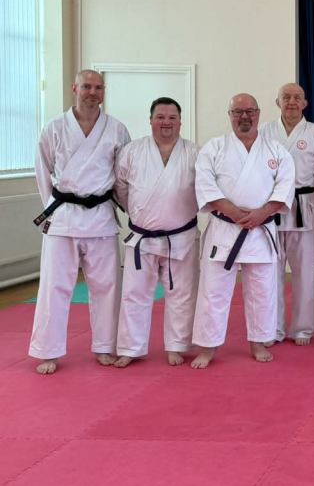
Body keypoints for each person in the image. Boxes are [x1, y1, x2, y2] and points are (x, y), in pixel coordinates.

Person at [29, 69, 131, 374]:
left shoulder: (117, 129)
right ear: (75, 88)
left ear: (103, 91)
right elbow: (43, 172)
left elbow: (122, 176)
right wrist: (53, 208)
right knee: (54, 286)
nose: (92, 92)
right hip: (63, 217)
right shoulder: (54, 127)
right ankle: (48, 350)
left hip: (101, 217)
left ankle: (105, 346)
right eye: (87, 86)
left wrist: (128, 209)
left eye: (98, 87)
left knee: (107, 287)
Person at [191, 94, 295, 367]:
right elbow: (205, 185)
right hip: (225, 228)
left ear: (259, 114)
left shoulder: (276, 150)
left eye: (250, 111)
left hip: (261, 229)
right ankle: (208, 346)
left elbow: (285, 187)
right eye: (238, 112)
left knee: (262, 290)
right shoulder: (214, 148)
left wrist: (262, 213)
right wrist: (235, 214)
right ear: (230, 115)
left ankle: (259, 342)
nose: (244, 116)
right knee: (214, 292)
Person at [114, 97, 200, 367]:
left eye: (172, 117)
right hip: (143, 236)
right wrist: (139, 213)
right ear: (150, 120)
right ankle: (130, 347)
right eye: (160, 117)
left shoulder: (194, 152)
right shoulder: (132, 151)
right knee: (134, 293)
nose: (166, 122)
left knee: (182, 293)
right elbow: (121, 188)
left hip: (182, 236)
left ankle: (177, 345)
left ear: (180, 122)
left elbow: (204, 190)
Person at [260, 83, 314, 346]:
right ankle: (273, 328)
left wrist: (310, 196)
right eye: (286, 97)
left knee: (305, 272)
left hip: (304, 207)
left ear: (305, 103)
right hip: (271, 209)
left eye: (297, 97)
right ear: (277, 102)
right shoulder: (264, 131)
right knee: (270, 272)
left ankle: (302, 328)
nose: (291, 102)